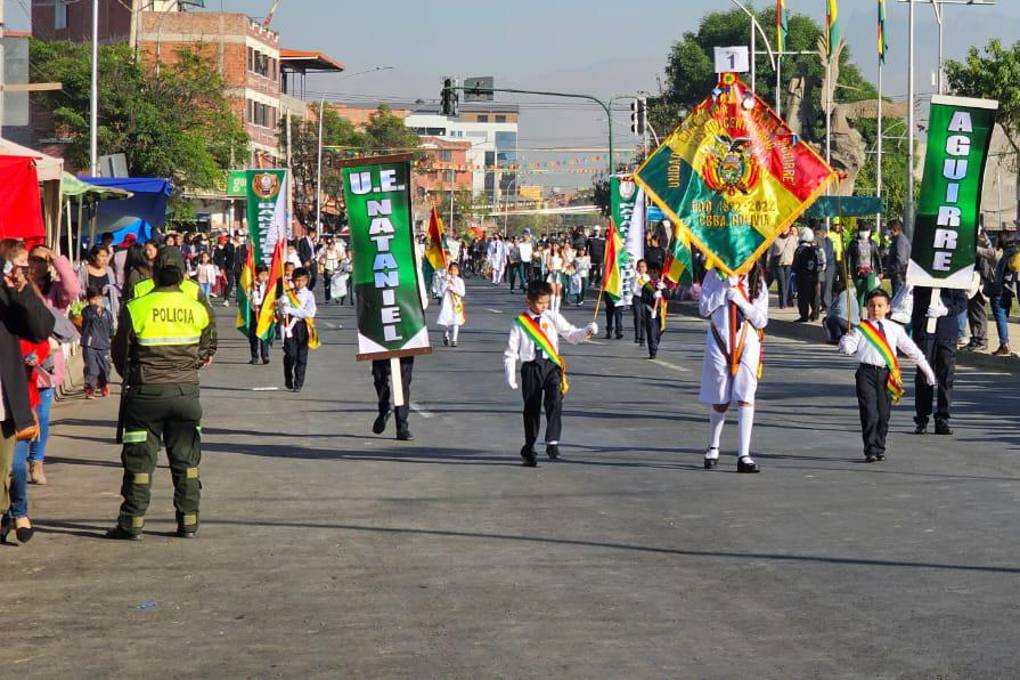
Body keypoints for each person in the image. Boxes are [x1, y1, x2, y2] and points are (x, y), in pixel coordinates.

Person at [106, 247, 216, 540]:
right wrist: (188, 368)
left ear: (154, 275)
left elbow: (119, 352)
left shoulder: (136, 307)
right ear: (182, 275)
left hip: (145, 396)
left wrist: (131, 377)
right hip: (186, 395)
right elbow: (208, 346)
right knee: (187, 464)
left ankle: (132, 524)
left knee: (139, 465)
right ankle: (188, 523)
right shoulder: (197, 308)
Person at [504, 280, 597, 466]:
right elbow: (511, 351)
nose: (544, 306)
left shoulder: (552, 317)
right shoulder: (520, 323)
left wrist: (587, 331)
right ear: (529, 301)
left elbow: (571, 334)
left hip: (551, 366)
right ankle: (529, 448)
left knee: (555, 401)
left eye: (547, 302)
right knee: (531, 408)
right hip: (531, 368)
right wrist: (510, 374)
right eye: (540, 303)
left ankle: (552, 442)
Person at [840, 289, 936, 463]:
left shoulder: (895, 329)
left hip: (887, 374)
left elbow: (912, 351)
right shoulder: (861, 329)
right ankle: (870, 449)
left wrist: (928, 371)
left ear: (888, 307)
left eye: (880, 305)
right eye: (872, 305)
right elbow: (849, 346)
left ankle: (880, 447)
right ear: (867, 307)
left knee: (884, 415)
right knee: (870, 413)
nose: (876, 309)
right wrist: (845, 343)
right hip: (866, 374)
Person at [1, 244, 55, 543]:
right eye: (19, 263)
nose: (24, 269)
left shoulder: (16, 296)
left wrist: (20, 291)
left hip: (15, 402)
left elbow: (42, 330)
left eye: (25, 265)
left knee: (14, 467)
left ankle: (17, 512)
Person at [699, 262, 768, 473]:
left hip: (747, 340)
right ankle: (713, 446)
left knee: (746, 395)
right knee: (720, 397)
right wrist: (724, 288)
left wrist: (741, 301)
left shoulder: (757, 279)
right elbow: (704, 309)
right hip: (719, 338)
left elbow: (761, 320)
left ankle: (743, 454)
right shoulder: (714, 274)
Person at [911, 286, 967, 435]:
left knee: (946, 376)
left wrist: (946, 311)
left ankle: (943, 418)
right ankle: (922, 419)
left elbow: (962, 301)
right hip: (925, 328)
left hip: (947, 330)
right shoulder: (923, 280)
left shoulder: (954, 280)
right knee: (924, 375)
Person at [278, 267, 317, 392]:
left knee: (301, 357)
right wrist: (281, 305)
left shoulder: (309, 295)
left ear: (306, 281)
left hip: (303, 327)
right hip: (289, 327)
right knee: (290, 354)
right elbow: (280, 313)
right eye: (297, 280)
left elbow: (309, 313)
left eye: (302, 280)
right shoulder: (287, 294)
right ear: (293, 280)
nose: (299, 283)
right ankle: (288, 375)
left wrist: (291, 310)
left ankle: (298, 383)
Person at [81, 286, 115, 399]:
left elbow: (111, 329)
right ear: (88, 300)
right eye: (93, 299)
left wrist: (112, 338)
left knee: (105, 368)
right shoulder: (86, 312)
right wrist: (96, 310)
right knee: (92, 368)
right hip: (89, 345)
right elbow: (88, 319)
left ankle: (103, 384)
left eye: (99, 298)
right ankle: (90, 389)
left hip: (104, 345)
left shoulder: (107, 313)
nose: (96, 301)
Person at [372, 356, 415, 441]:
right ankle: (384, 409)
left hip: (404, 349)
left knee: (401, 382)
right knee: (379, 375)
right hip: (381, 348)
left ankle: (401, 426)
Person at [990, 235, 1018, 356]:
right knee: (1003, 314)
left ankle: (1004, 343)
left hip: (1000, 288)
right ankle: (1004, 343)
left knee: (1000, 315)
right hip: (1009, 289)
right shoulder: (1015, 252)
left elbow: (1000, 272)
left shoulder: (1006, 254)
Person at [77, 244, 120, 318]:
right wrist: (86, 294)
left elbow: (113, 291)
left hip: (107, 308)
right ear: (94, 256)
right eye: (102, 256)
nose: (105, 259)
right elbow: (78, 289)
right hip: (90, 308)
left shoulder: (109, 270)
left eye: (106, 256)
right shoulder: (84, 270)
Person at [792, 227, 822, 322]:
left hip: (802, 276)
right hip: (815, 275)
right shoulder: (816, 248)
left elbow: (795, 264)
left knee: (803, 297)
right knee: (814, 296)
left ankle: (804, 316)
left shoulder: (800, 249)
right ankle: (815, 314)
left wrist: (794, 271)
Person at [848, 226, 883, 307]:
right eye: (862, 230)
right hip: (857, 272)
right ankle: (859, 312)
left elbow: (877, 257)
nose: (864, 233)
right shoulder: (853, 243)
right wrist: (849, 271)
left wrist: (880, 270)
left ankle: (871, 310)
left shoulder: (872, 243)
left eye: (866, 230)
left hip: (871, 271)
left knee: (870, 291)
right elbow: (849, 257)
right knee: (860, 292)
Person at [640, 263, 667, 360]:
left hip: (661, 312)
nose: (652, 274)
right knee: (651, 332)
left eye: (654, 272)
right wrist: (653, 296)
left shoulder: (662, 284)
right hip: (650, 311)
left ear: (659, 273)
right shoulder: (646, 286)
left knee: (658, 332)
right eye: (650, 272)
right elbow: (643, 299)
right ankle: (653, 351)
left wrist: (663, 290)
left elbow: (668, 296)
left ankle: (655, 344)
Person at [824, 274, 860, 343]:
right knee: (833, 318)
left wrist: (830, 314)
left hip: (850, 322)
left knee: (831, 319)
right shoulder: (848, 293)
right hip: (851, 321)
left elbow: (840, 311)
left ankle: (837, 337)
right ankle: (841, 335)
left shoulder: (843, 295)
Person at [437, 262, 466, 347]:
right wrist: (445, 282)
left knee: (456, 321)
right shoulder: (446, 280)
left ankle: (454, 340)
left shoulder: (460, 281)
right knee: (447, 321)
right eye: (451, 270)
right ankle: (446, 335)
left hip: (456, 303)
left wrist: (453, 289)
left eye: (455, 270)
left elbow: (463, 293)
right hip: (447, 303)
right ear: (449, 271)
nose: (453, 272)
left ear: (458, 271)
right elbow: (441, 292)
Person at [248, 264, 271, 365]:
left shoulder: (267, 285)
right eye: (262, 275)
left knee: (264, 335)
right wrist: (253, 301)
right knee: (253, 336)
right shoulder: (251, 285)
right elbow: (247, 299)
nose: (264, 277)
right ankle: (254, 356)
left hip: (264, 312)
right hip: (254, 312)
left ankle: (265, 355)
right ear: (257, 275)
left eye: (266, 274)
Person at [769, 227, 797, 309]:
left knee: (787, 283)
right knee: (781, 283)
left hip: (789, 263)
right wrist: (768, 262)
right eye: (783, 228)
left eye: (786, 228)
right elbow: (770, 251)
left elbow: (795, 250)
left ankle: (786, 301)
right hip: (779, 264)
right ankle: (782, 303)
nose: (784, 230)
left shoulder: (792, 239)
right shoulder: (775, 238)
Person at [885, 219, 911, 298]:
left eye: (889, 229)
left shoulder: (900, 241)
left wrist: (893, 270)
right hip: (897, 275)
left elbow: (901, 259)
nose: (887, 232)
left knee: (897, 299)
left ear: (895, 229)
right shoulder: (897, 240)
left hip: (898, 276)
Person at [632, 259, 650, 346]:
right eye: (639, 267)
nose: (641, 268)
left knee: (644, 318)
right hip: (637, 298)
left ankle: (643, 338)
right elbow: (633, 289)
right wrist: (637, 279)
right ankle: (637, 336)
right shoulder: (635, 277)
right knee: (637, 316)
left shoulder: (648, 278)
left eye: (643, 267)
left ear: (646, 268)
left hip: (645, 299)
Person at [545, 242, 565, 314]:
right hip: (552, 273)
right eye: (553, 246)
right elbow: (547, 264)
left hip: (559, 273)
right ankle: (552, 309)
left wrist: (562, 269)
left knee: (558, 291)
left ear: (558, 246)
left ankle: (557, 309)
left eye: (556, 246)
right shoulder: (549, 254)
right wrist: (550, 269)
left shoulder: (561, 254)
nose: (555, 247)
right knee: (552, 291)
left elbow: (566, 262)